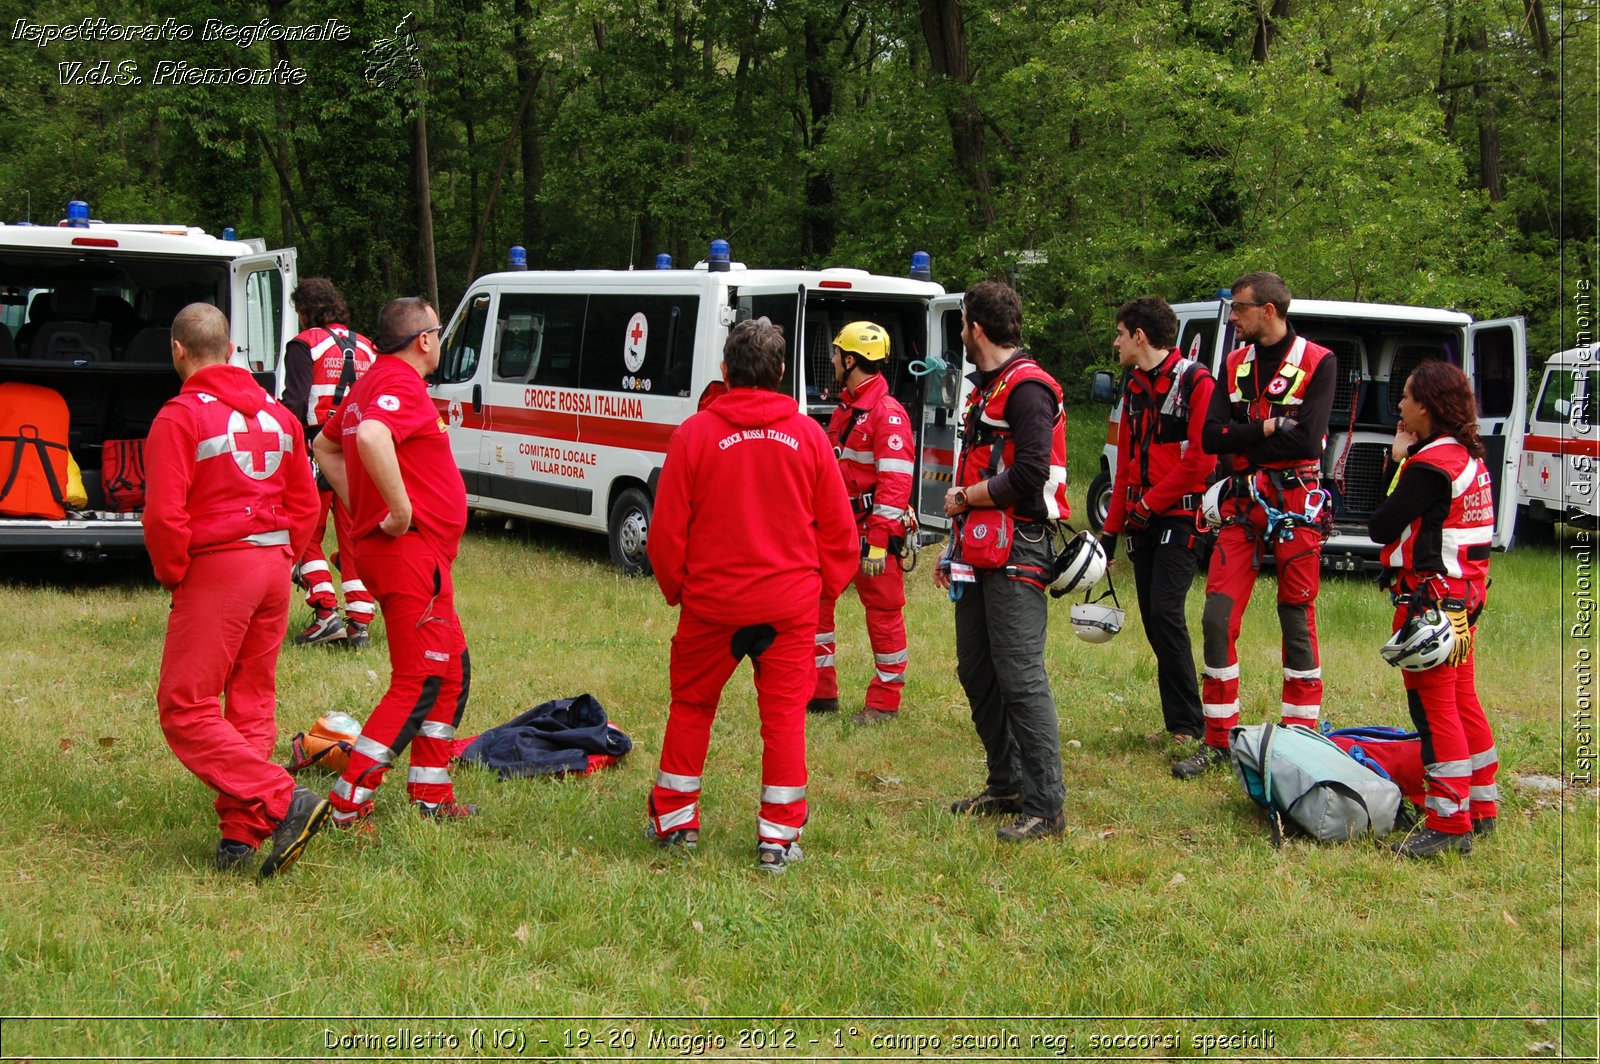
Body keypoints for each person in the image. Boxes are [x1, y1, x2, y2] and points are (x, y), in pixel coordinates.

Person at [645, 317, 856, 872]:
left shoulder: (694, 434)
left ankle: (674, 823)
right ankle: (778, 839)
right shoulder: (810, 436)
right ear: (783, 372)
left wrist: (679, 591)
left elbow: (666, 533)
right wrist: (818, 593)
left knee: (691, 708)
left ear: (725, 372)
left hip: (711, 606)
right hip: (786, 609)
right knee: (785, 720)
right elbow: (840, 533)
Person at [143, 302, 328, 877]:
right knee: (249, 702)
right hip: (273, 566)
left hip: (219, 569)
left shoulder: (178, 417)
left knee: (185, 708)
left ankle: (282, 799)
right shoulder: (279, 414)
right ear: (230, 350)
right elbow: (305, 503)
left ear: (178, 350)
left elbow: (164, 517)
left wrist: (176, 574)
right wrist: (286, 557)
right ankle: (239, 839)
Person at [314, 297, 476, 824]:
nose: (440, 343)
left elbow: (325, 446)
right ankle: (348, 802)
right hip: (411, 554)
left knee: (451, 670)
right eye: (438, 332)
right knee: (420, 679)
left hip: (409, 556)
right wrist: (398, 510)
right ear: (424, 339)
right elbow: (370, 435)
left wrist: (364, 505)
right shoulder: (400, 385)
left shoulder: (369, 383)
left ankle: (431, 793)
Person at [1178, 271, 1337, 780]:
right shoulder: (1232, 363)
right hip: (1242, 506)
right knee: (1216, 617)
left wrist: (1243, 442)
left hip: (1297, 506)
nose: (1234, 318)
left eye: (1240, 308)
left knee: (1297, 616)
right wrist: (1268, 428)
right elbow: (1209, 437)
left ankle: (1300, 737)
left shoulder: (1319, 362)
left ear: (1269, 310)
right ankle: (1219, 739)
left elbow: (1308, 442)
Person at [936, 281, 1071, 841]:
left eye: (963, 325)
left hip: (1019, 545)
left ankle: (1046, 806)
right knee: (977, 667)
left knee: (1020, 674)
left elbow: (1030, 476)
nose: (960, 335)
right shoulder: (988, 385)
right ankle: (1007, 783)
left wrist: (967, 497)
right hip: (978, 545)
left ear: (978, 329)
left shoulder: (1028, 389)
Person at [1368, 361, 1498, 857]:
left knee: (1434, 710)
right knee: (1463, 702)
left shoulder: (1429, 464)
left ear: (1426, 405)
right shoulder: (1465, 455)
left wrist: (1398, 458)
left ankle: (1449, 823)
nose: (1398, 405)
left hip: (1432, 603)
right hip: (1464, 599)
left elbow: (1382, 524)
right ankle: (1482, 807)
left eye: (1404, 397)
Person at [1103, 296, 1216, 761]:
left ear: (1140, 336)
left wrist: (1149, 504)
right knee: (1152, 616)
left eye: (1120, 334)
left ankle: (1192, 725)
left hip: (1181, 515)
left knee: (1167, 612)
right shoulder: (1134, 387)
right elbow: (1127, 463)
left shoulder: (1197, 383)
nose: (1116, 343)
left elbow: (1201, 462)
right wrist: (1110, 533)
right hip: (1143, 516)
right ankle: (1180, 721)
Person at [809, 321, 916, 726]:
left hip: (873, 533)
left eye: (837, 354)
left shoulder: (887, 416)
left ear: (851, 360)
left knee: (884, 614)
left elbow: (895, 485)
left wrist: (877, 541)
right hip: (838, 530)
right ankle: (820, 693)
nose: (833, 360)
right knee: (815, 607)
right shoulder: (847, 408)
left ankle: (885, 701)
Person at [280, 278, 378, 648]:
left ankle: (325, 613)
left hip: (318, 448)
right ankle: (360, 623)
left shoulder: (304, 345)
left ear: (304, 310)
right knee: (354, 536)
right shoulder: (368, 347)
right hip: (360, 452)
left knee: (306, 535)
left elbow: (294, 404)